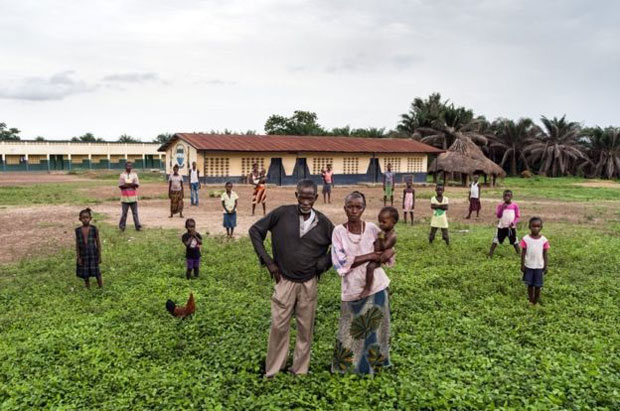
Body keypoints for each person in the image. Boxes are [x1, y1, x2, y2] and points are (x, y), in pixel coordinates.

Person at [249, 179, 334, 378]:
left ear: (316, 198)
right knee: (279, 326)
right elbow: (255, 231)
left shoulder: (323, 223)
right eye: (302, 197)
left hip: (308, 283)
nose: (305, 201)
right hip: (284, 281)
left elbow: (340, 245)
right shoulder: (281, 214)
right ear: (296, 196)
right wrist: (268, 262)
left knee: (305, 328)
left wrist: (323, 264)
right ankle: (273, 370)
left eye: (310, 198)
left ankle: (299, 370)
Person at [331, 191, 394, 374]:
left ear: (364, 209)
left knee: (376, 329)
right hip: (352, 288)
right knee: (349, 330)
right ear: (345, 208)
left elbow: (387, 252)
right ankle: (345, 368)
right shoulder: (338, 232)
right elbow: (340, 262)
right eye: (350, 206)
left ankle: (373, 367)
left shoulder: (373, 229)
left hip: (377, 286)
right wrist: (371, 256)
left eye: (358, 207)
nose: (354, 210)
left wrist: (382, 254)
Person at [360, 206, 398, 299]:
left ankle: (367, 288)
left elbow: (384, 247)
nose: (381, 224)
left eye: (384, 222)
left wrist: (380, 238)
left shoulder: (392, 236)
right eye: (379, 221)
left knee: (371, 266)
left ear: (393, 222)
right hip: (379, 252)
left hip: (384, 254)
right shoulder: (383, 231)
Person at [520, 217, 549, 305]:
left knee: (538, 286)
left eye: (538, 226)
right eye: (533, 226)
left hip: (539, 267)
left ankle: (535, 301)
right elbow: (523, 253)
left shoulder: (544, 240)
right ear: (529, 226)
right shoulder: (525, 239)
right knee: (530, 285)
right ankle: (531, 299)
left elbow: (545, 254)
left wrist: (546, 265)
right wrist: (522, 265)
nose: (536, 228)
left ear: (541, 227)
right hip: (529, 266)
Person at [488, 189, 521, 258]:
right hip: (502, 227)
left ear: (512, 196)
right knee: (496, 240)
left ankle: (519, 254)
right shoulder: (500, 205)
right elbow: (498, 216)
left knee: (514, 241)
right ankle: (490, 254)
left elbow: (517, 216)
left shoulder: (515, 206)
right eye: (505, 196)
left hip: (511, 227)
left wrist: (513, 223)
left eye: (508, 196)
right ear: (503, 197)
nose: (507, 197)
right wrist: (502, 208)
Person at [76, 208, 102, 289]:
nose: (85, 219)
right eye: (83, 218)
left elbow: (98, 242)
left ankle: (100, 286)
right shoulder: (78, 230)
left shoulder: (94, 229)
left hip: (93, 253)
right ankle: (88, 287)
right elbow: (77, 245)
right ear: (80, 219)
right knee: (85, 272)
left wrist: (99, 255)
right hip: (83, 254)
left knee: (97, 271)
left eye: (87, 217)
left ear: (90, 218)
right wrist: (78, 257)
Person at [118, 161, 142, 231]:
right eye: (127, 166)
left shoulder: (134, 175)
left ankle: (138, 226)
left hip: (133, 198)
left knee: (135, 213)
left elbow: (137, 185)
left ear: (132, 167)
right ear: (125, 167)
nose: (129, 167)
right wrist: (131, 184)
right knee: (124, 213)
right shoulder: (122, 175)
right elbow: (121, 186)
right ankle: (122, 227)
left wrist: (127, 184)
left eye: (130, 166)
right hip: (124, 198)